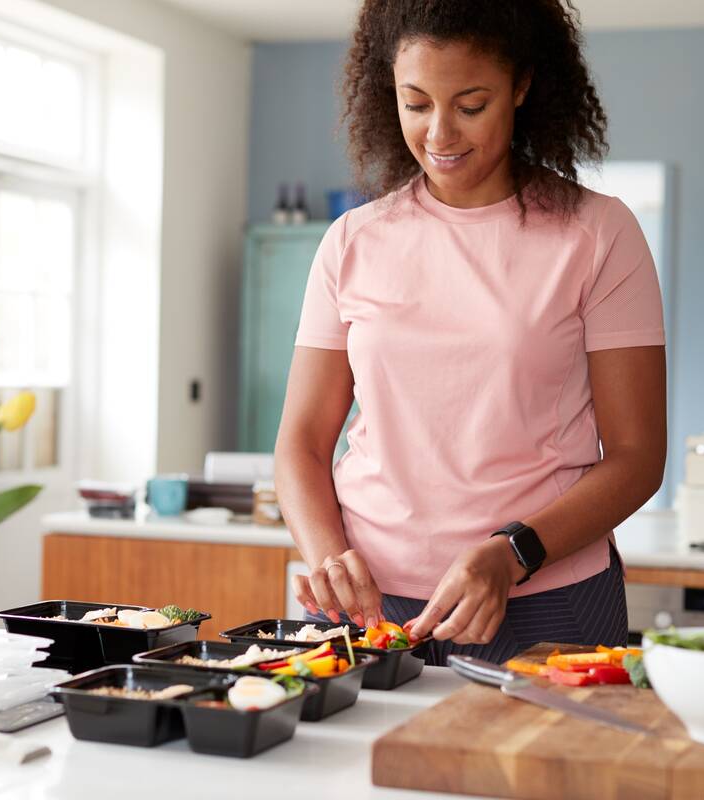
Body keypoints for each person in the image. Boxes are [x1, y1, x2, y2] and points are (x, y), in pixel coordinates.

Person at [273, 0, 667, 665]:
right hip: (369, 606)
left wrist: (513, 553)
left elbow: (637, 457)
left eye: (471, 104)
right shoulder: (352, 242)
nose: (440, 135)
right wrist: (328, 555)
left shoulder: (598, 234)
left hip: (548, 600)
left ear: (520, 87)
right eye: (417, 103)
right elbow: (301, 444)